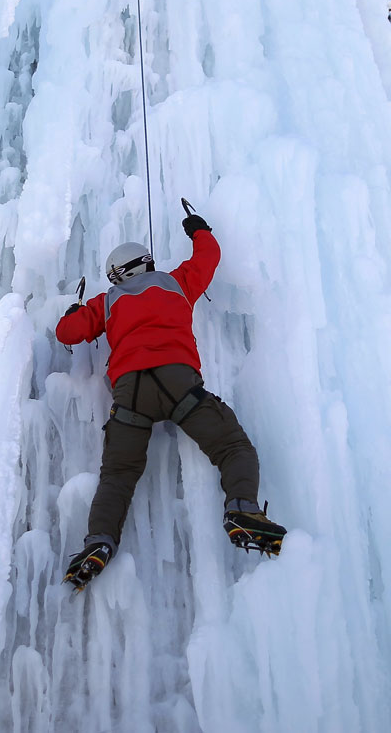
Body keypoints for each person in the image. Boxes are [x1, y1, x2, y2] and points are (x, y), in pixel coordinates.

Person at [55, 208, 286, 590]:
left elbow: (68, 333)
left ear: (116, 275)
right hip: (179, 384)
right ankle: (242, 508)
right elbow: (207, 258)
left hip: (130, 391)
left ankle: (99, 542)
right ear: (146, 262)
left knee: (118, 475)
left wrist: (74, 311)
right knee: (231, 446)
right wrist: (199, 230)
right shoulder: (176, 282)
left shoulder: (107, 301)